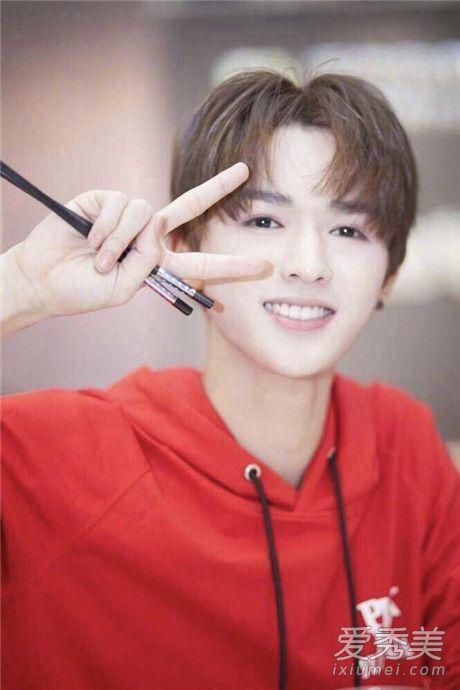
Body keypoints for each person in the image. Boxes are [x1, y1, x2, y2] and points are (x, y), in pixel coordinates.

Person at [1, 69, 459, 690]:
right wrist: (18, 289)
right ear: (185, 248)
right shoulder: (59, 458)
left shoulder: (403, 444)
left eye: (348, 230)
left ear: (391, 273)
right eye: (265, 221)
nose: (309, 266)